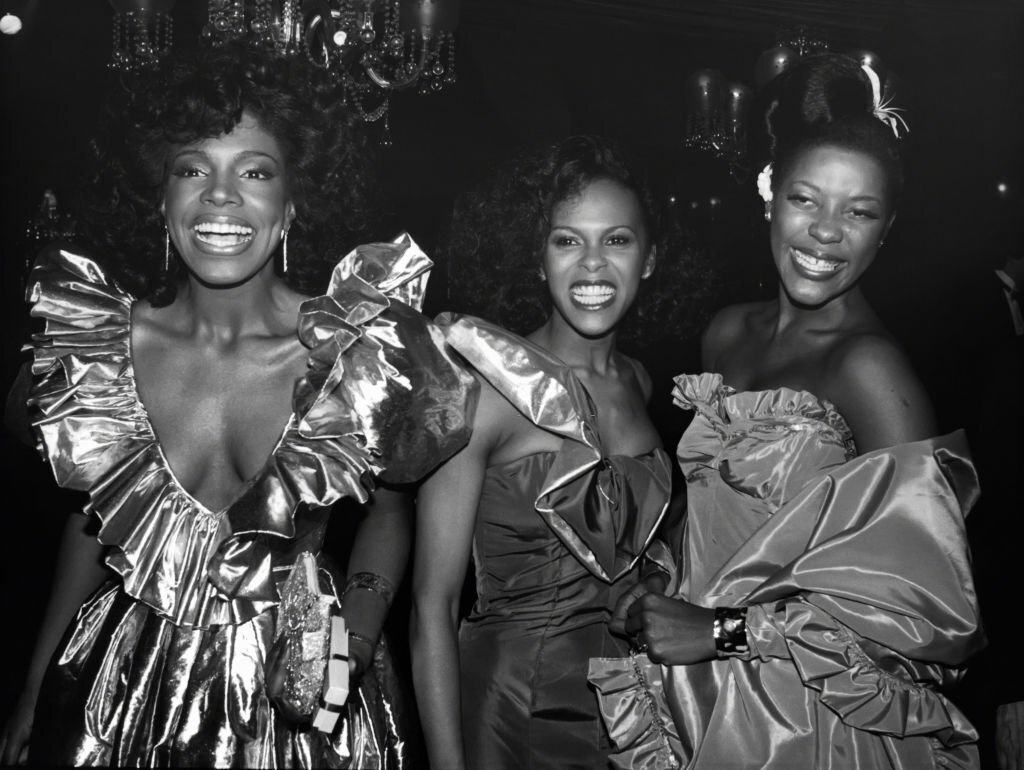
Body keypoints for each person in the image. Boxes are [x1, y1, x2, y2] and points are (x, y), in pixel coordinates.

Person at [0, 42, 474, 767]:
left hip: (306, 697)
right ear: (160, 197)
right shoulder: (98, 350)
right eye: (193, 169)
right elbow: (94, 527)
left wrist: (357, 636)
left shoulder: (353, 348)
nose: (221, 196)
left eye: (255, 171)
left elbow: (391, 506)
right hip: (121, 695)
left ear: (293, 201)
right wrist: (34, 686)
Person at [590, 53, 985, 768]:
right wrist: (659, 579)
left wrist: (724, 634)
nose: (828, 231)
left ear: (887, 228)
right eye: (807, 200)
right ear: (770, 195)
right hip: (693, 690)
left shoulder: (871, 369)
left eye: (859, 211)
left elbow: (921, 618)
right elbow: (713, 515)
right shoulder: (726, 331)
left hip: (804, 720)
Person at [409, 135, 707, 769]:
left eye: (617, 240)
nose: (593, 265)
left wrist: (650, 583)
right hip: (511, 711)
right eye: (567, 240)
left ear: (649, 259)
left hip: (628, 711)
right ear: (538, 260)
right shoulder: (482, 387)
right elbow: (431, 604)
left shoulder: (640, 380)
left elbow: (638, 544)